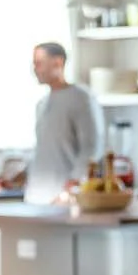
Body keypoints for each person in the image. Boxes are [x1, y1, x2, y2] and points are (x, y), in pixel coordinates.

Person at [23, 41, 101, 203]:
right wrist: (22, 174)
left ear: (58, 62)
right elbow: (44, 150)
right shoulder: (42, 104)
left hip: (63, 196)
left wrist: (74, 184)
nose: (34, 69)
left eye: (39, 63)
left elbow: (91, 147)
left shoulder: (81, 98)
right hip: (36, 196)